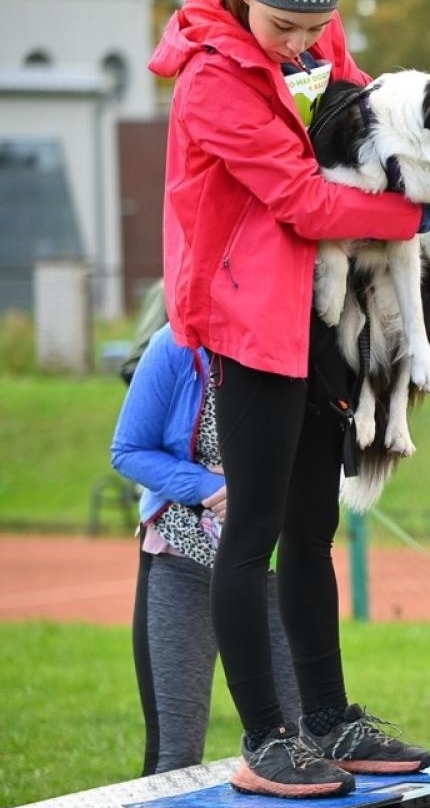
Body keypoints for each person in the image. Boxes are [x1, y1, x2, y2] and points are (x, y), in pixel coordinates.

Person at [150, 0, 430, 798]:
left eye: (319, 28)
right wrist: (417, 215)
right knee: (256, 533)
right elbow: (305, 201)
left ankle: (331, 719)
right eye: (287, 29)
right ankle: (266, 738)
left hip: (321, 317)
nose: (306, 46)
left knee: (315, 525)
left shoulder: (315, 41)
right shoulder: (211, 84)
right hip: (246, 322)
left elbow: (359, 114)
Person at [112, 325, 302, 774]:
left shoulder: (296, 339)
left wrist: (260, 493)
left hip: (271, 566)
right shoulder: (174, 346)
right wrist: (212, 487)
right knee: (175, 753)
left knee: (299, 739)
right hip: (181, 560)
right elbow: (128, 449)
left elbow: (325, 453)